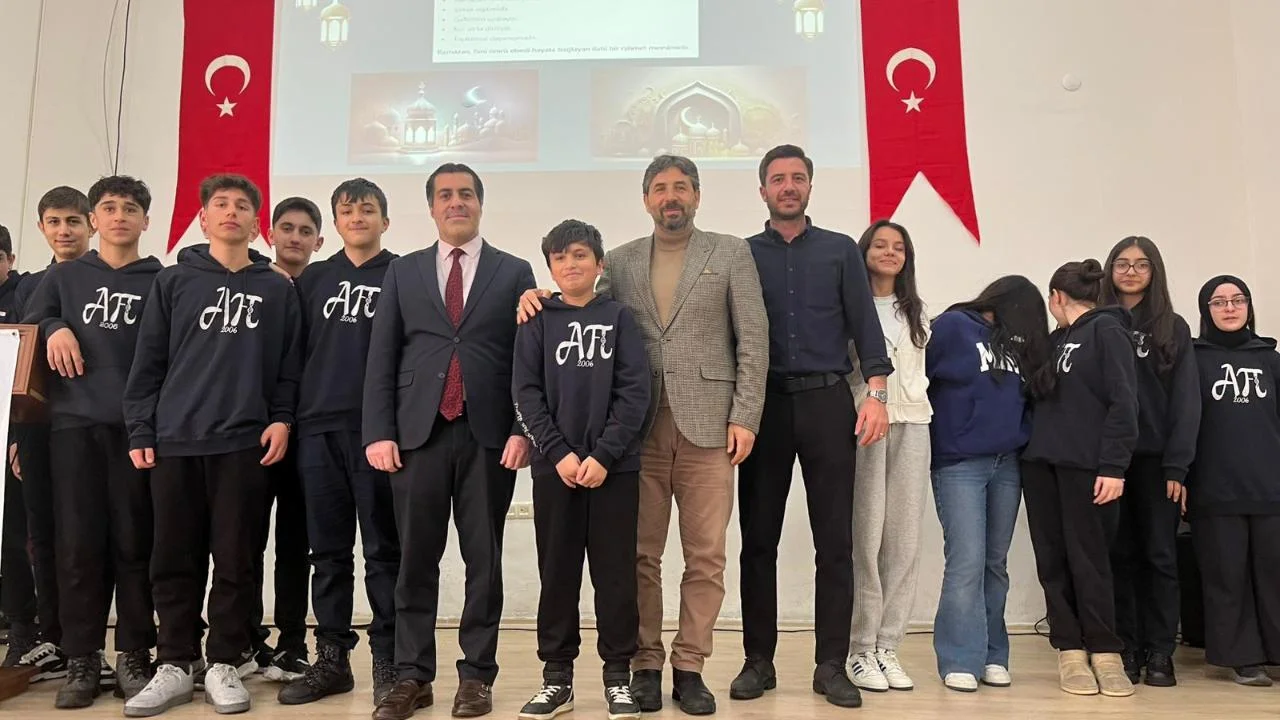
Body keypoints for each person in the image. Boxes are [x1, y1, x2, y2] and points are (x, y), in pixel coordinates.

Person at [519, 155, 768, 715]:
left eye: (680, 187)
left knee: (706, 556)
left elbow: (753, 338)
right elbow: (580, 302)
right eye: (659, 188)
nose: (670, 196)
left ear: (697, 195)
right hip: (638, 433)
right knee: (638, 557)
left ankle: (690, 666)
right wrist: (533, 297)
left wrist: (746, 415)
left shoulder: (730, 252)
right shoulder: (623, 259)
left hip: (710, 426)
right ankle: (645, 664)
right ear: (646, 199)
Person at [122, 174, 302, 717]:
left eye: (242, 205)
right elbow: (148, 361)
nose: (231, 212)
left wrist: (282, 419)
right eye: (220, 204)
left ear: (256, 223)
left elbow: (289, 366)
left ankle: (224, 660)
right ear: (203, 218)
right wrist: (141, 428)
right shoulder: (174, 281)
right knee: (173, 558)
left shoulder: (277, 289)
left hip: (244, 443)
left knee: (236, 559)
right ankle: (175, 663)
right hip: (176, 442)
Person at [364, 163, 535, 720]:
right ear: (432, 208)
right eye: (445, 195)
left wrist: (522, 429)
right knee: (415, 559)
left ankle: (477, 677)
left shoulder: (514, 271)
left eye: (465, 194)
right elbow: (383, 355)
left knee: (484, 560)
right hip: (418, 435)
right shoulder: (404, 271)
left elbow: (527, 360)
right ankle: (412, 676)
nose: (455, 202)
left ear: (480, 203)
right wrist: (379, 432)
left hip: (489, 437)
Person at [732, 145, 888, 709]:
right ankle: (758, 661)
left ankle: (831, 665)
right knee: (758, 541)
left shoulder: (840, 250)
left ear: (810, 187)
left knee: (835, 543)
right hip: (763, 408)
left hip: (828, 404)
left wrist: (876, 395)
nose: (788, 186)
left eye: (797, 177)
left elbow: (865, 324)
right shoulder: (742, 254)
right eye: (778, 179)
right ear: (763, 191)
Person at [20, 175, 162, 708]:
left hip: (138, 432)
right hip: (73, 429)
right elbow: (28, 329)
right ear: (95, 219)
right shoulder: (65, 277)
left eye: (130, 208)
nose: (120, 216)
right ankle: (82, 657)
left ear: (145, 220)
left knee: (134, 544)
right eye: (109, 207)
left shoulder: (162, 280)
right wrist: (54, 325)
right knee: (78, 546)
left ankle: (133, 654)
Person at [512, 219, 650, 720]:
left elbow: (635, 393)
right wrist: (559, 454)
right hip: (556, 470)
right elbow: (525, 393)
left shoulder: (619, 318)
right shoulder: (536, 321)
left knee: (615, 575)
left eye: (580, 255)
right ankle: (557, 679)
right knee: (557, 574)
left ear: (599, 264)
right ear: (550, 267)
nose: (570, 265)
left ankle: (618, 678)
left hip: (615, 470)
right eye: (560, 257)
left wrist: (604, 456)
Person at [278, 179, 401, 706]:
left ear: (384, 221)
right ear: (336, 223)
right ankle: (331, 659)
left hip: (378, 435)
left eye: (367, 209)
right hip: (317, 431)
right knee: (327, 553)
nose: (357, 217)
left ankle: (390, 661)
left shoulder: (403, 274)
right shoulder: (313, 279)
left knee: (384, 552)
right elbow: (291, 356)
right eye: (347, 210)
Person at [926, 276, 1049, 692]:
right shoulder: (953, 327)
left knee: (995, 563)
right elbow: (921, 379)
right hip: (960, 462)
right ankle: (960, 658)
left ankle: (994, 654)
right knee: (966, 560)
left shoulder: (1015, 343)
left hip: (1007, 462)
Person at [1022, 259, 1138, 698]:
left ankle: (1105, 651)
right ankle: (1069, 649)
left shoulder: (1108, 331)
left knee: (1091, 560)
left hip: (1088, 468)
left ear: (1056, 296)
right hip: (1041, 466)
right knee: (1052, 560)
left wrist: (1113, 467)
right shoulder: (1054, 341)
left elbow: (1124, 401)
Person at [1099, 236, 1200, 687]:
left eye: (1141, 264)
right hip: (1111, 463)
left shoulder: (1172, 326)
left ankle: (1160, 651)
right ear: (1110, 270)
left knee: (1160, 555)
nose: (1131, 272)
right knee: (1119, 555)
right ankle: (1127, 647)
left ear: (1154, 271)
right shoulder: (1099, 324)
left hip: (1158, 463)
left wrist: (1178, 465)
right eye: (1122, 263)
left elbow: (1186, 401)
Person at [3, 187, 94, 680]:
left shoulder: (107, 280)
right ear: (41, 228)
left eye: (73, 221)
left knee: (94, 534)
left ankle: (92, 644)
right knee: (41, 533)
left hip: (94, 426)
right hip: (38, 428)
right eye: (54, 221)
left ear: (90, 225)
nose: (64, 230)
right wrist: (17, 435)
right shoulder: (28, 287)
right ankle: (51, 637)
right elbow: (19, 363)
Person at [847, 220, 932, 693]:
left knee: (903, 540)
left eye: (898, 247)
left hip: (914, 425)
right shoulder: (851, 306)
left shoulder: (917, 311)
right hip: (866, 426)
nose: (889, 252)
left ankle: (887, 645)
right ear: (864, 253)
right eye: (879, 244)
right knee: (866, 538)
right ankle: (860, 648)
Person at [247, 196, 327, 682]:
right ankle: (247, 637)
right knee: (246, 541)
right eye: (287, 228)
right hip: (256, 431)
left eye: (305, 230)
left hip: (308, 434)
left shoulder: (324, 286)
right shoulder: (254, 281)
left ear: (319, 240)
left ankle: (292, 641)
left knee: (297, 545)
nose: (295, 237)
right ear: (270, 233)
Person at [1188, 276, 1280, 686]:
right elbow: (1184, 423)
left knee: (1274, 574)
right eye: (1219, 301)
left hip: (1270, 489)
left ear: (1248, 307)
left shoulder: (1271, 360)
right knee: (1227, 577)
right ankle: (1243, 658)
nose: (1229, 308)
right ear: (1206, 310)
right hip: (1215, 489)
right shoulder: (1193, 360)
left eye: (1237, 300)